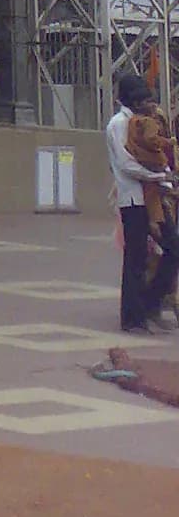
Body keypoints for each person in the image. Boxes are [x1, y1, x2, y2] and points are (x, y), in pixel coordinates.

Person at [107, 73, 179, 333]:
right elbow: (126, 165)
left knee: (173, 248)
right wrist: (159, 176)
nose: (146, 103)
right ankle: (132, 318)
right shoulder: (118, 125)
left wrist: (164, 180)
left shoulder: (146, 122)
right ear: (129, 100)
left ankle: (150, 302)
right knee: (135, 258)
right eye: (141, 99)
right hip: (133, 198)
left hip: (154, 198)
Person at [126, 95, 179, 327]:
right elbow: (151, 181)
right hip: (153, 205)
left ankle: (156, 302)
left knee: (168, 254)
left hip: (167, 202)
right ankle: (150, 303)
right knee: (156, 256)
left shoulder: (165, 149)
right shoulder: (142, 146)